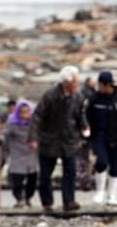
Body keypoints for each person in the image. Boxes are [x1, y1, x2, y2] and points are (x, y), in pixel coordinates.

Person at [28, 65, 89, 213]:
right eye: (75, 82)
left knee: (70, 171)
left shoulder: (77, 96)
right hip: (50, 140)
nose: (77, 85)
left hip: (69, 140)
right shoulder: (50, 96)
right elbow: (37, 117)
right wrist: (33, 137)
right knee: (45, 175)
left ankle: (69, 201)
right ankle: (47, 202)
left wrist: (84, 127)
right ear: (66, 82)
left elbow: (80, 114)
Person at [86, 71, 117, 206]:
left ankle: (112, 196)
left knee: (115, 165)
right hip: (100, 135)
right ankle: (99, 191)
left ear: (107, 85)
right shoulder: (95, 98)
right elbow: (87, 114)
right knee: (101, 162)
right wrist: (86, 129)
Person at [1, 99, 38, 208]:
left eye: (27, 112)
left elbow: (41, 133)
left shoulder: (34, 123)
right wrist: (1, 139)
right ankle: (19, 198)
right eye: (22, 112)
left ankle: (28, 197)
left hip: (32, 153)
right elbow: (5, 133)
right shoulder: (12, 122)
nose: (24, 115)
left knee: (32, 178)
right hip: (17, 152)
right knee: (17, 178)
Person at [0, 98, 16, 177]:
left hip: (14, 141)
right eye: (10, 107)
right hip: (4, 141)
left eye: (13, 107)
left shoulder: (17, 116)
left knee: (13, 159)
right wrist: (0, 126)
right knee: (3, 158)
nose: (12, 109)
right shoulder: (3, 116)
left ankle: (10, 175)